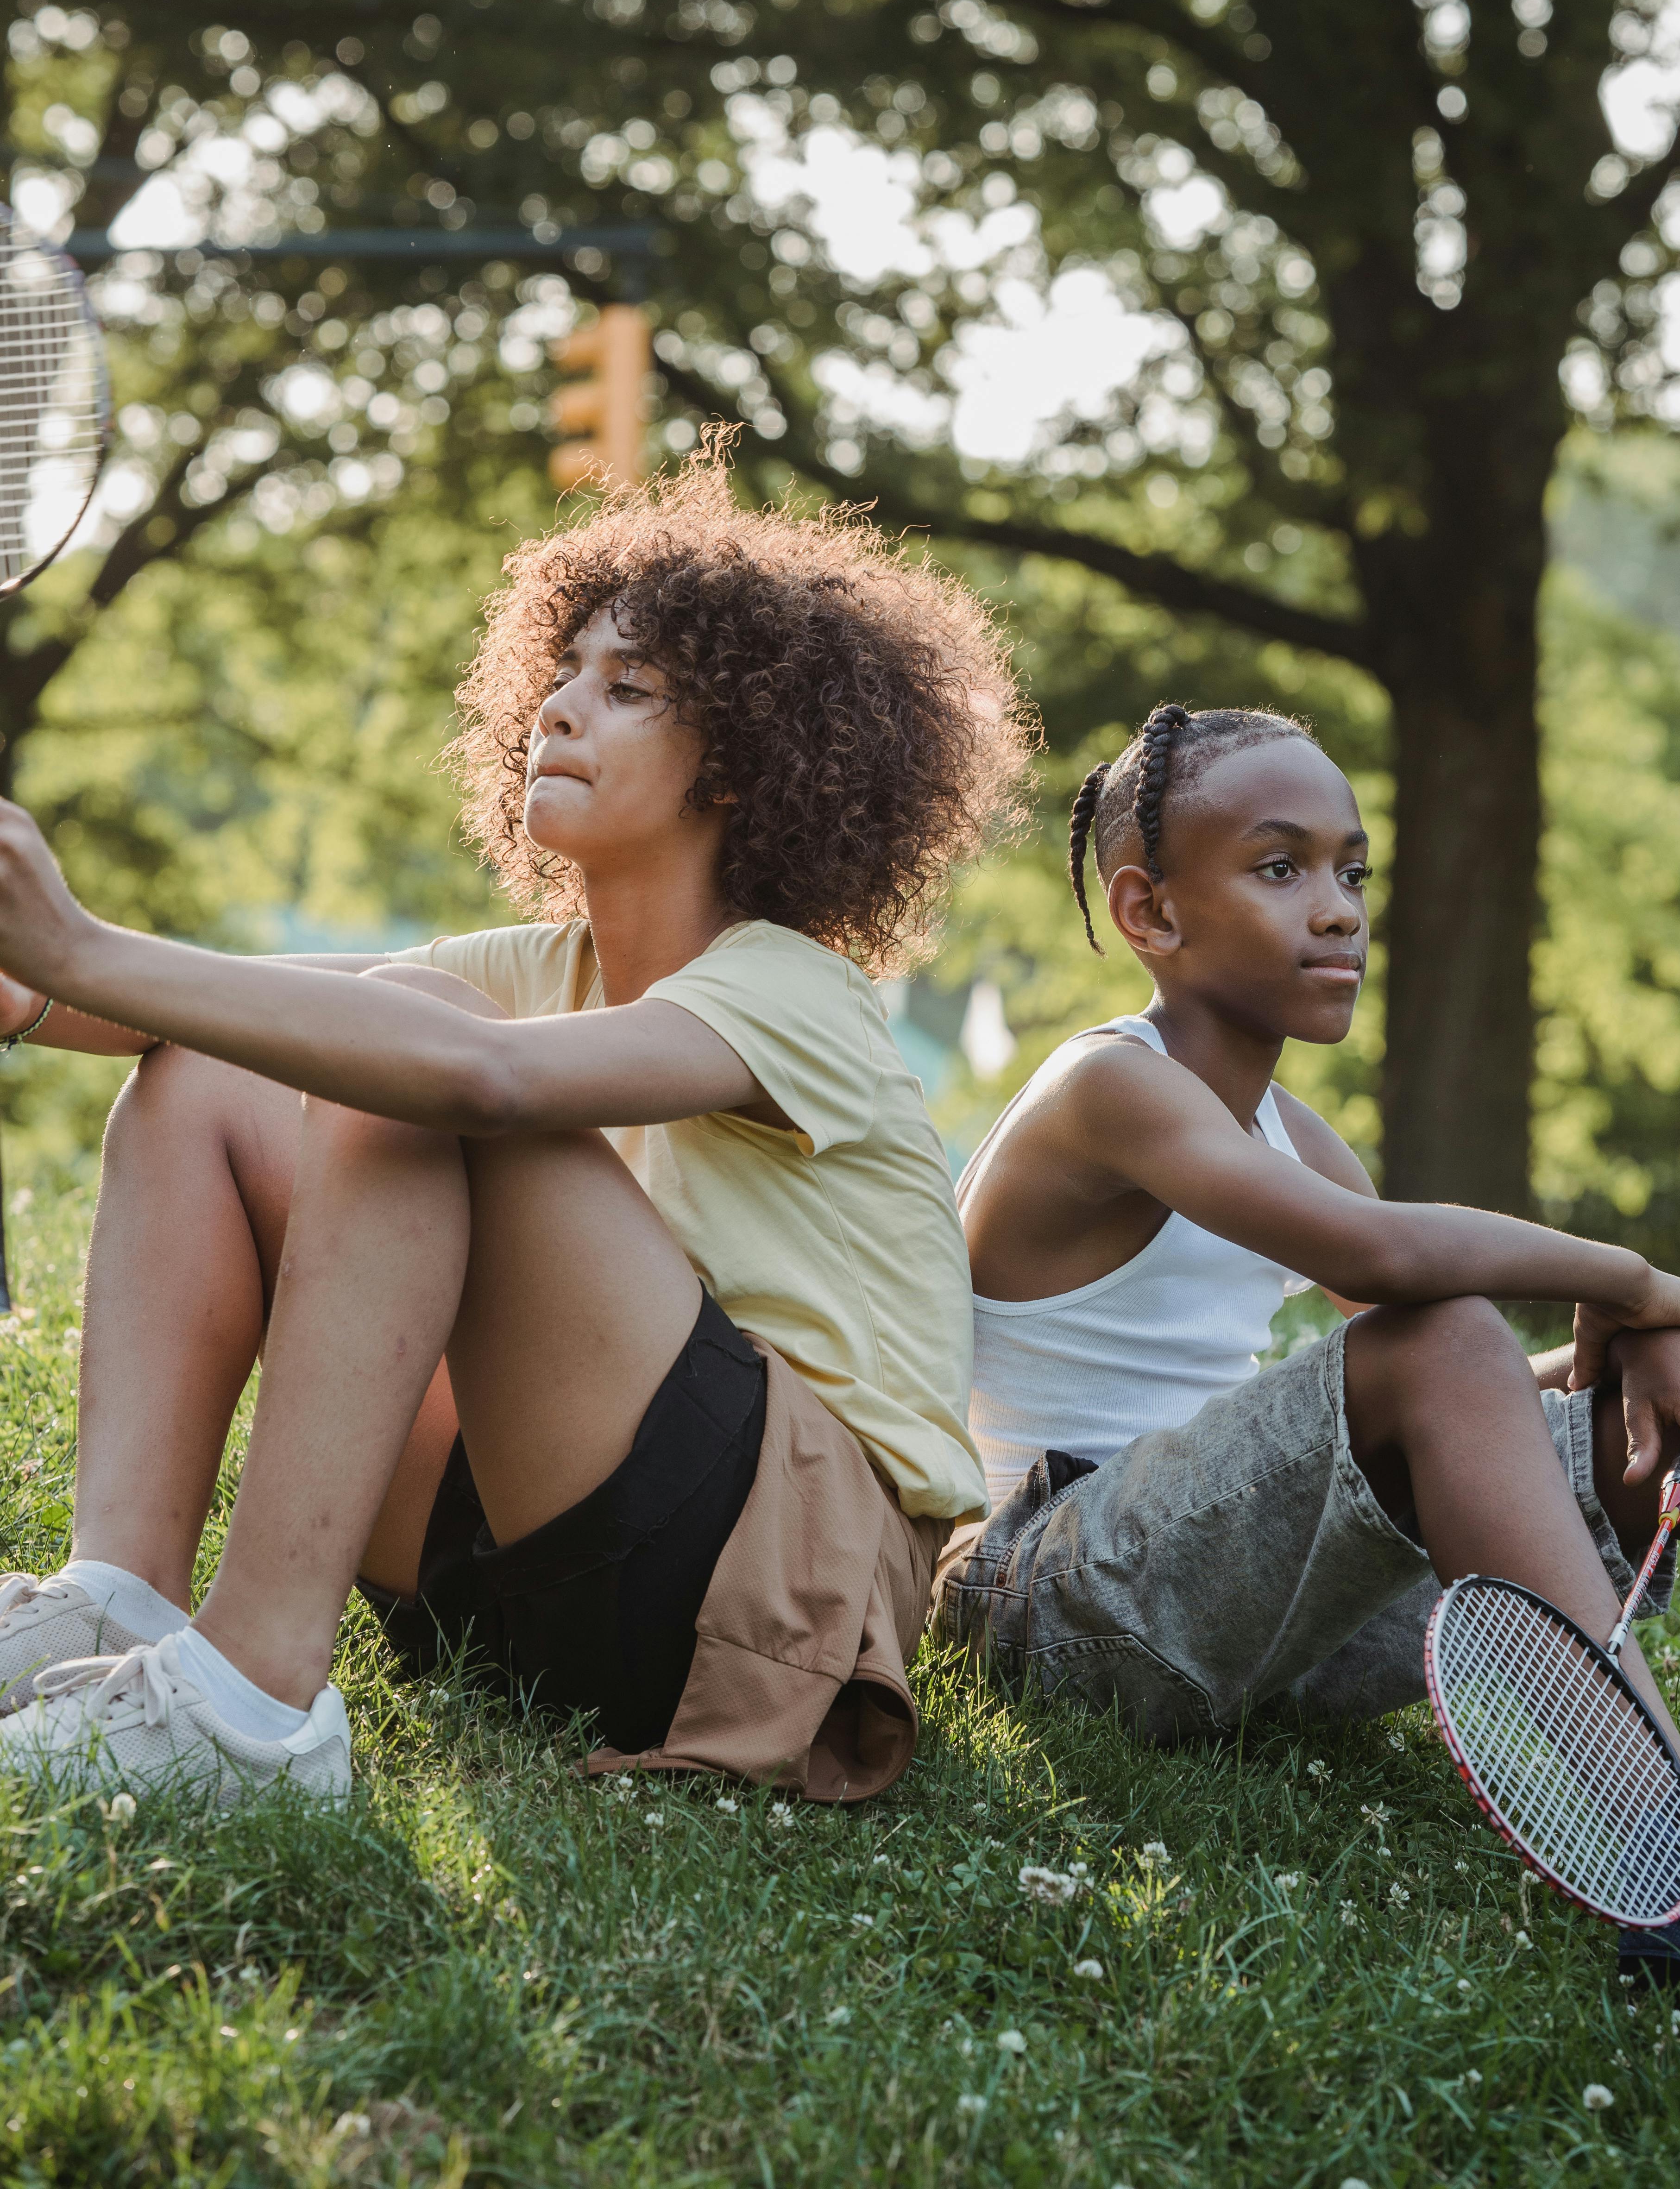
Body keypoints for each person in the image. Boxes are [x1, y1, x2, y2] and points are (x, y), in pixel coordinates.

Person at [0, 449, 1027, 1807]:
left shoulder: (797, 987)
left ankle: (247, 1710)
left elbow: (474, 1081)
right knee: (205, 1073)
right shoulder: (535, 972)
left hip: (767, 1582)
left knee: (419, 1059)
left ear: (746, 761)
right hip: (533, 1568)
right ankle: (122, 1598)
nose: (558, 709)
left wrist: (78, 939)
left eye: (627, 688)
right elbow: (205, 1022)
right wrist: (30, 989)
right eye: (562, 675)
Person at [936, 700, 1680, 2040]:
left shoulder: (1288, 1132)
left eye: (1352, 871)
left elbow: (1454, 1400)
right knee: (1447, 1326)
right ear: (1151, 914)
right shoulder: (1107, 1090)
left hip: (1245, 1608)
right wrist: (1632, 1280)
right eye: (1279, 867)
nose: (1339, 910)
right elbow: (1394, 1279)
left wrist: (1637, 1359)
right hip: (1055, 1600)